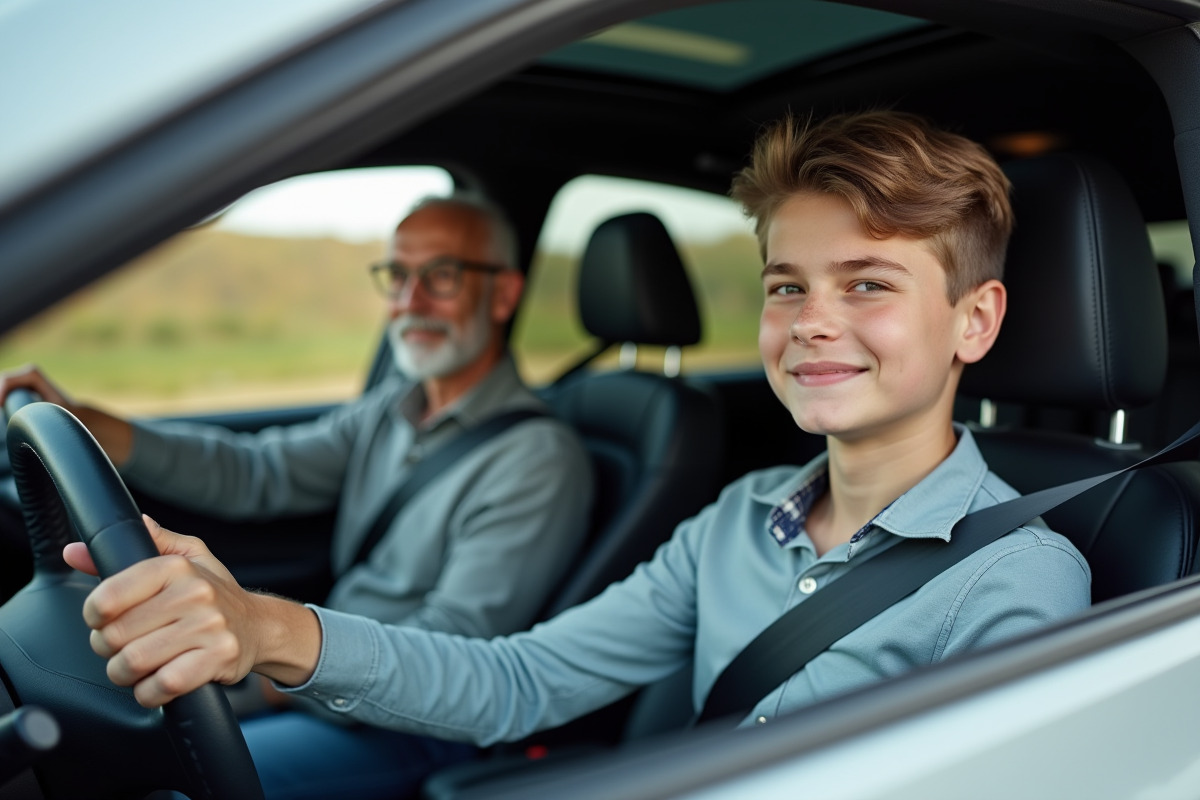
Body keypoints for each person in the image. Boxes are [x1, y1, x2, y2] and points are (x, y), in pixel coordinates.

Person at [62, 111, 1090, 793]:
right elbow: (517, 679)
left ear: (974, 319)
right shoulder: (731, 523)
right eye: (786, 285)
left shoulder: (1018, 575)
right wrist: (263, 627)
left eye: (867, 283)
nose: (813, 321)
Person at [1, 193, 594, 797]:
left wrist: (263, 672)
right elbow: (255, 472)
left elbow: (456, 656)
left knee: (163, 786)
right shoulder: (389, 411)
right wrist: (92, 425)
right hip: (320, 677)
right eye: (397, 275)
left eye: (441, 276)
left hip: (410, 721)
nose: (410, 301)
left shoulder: (537, 458)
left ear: (504, 295)